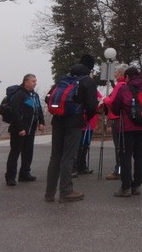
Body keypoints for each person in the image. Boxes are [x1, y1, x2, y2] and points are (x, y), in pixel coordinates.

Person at [44, 55, 98, 202]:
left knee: (55, 156)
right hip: (74, 123)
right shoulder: (87, 81)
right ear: (89, 68)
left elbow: (48, 98)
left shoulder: (63, 79)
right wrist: (86, 118)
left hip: (58, 121)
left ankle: (49, 193)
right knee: (69, 156)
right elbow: (93, 105)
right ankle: (66, 192)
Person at [112, 66, 142, 197]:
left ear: (127, 77)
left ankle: (126, 187)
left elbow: (115, 107)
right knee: (140, 156)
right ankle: (137, 186)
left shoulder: (124, 89)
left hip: (127, 128)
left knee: (126, 156)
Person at [5, 73, 45, 186]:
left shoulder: (35, 95)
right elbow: (15, 112)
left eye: (35, 81)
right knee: (15, 152)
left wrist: (41, 121)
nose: (35, 83)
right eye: (33, 81)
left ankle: (24, 174)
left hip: (31, 128)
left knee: (28, 152)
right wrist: (20, 128)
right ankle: (10, 177)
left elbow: (38, 109)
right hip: (19, 129)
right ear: (26, 82)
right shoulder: (20, 94)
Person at [100, 63, 129, 180]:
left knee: (119, 146)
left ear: (121, 74)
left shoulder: (119, 85)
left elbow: (111, 100)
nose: (114, 74)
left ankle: (119, 170)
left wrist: (104, 99)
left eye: (116, 72)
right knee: (124, 146)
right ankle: (124, 169)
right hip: (125, 119)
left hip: (117, 119)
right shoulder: (127, 85)